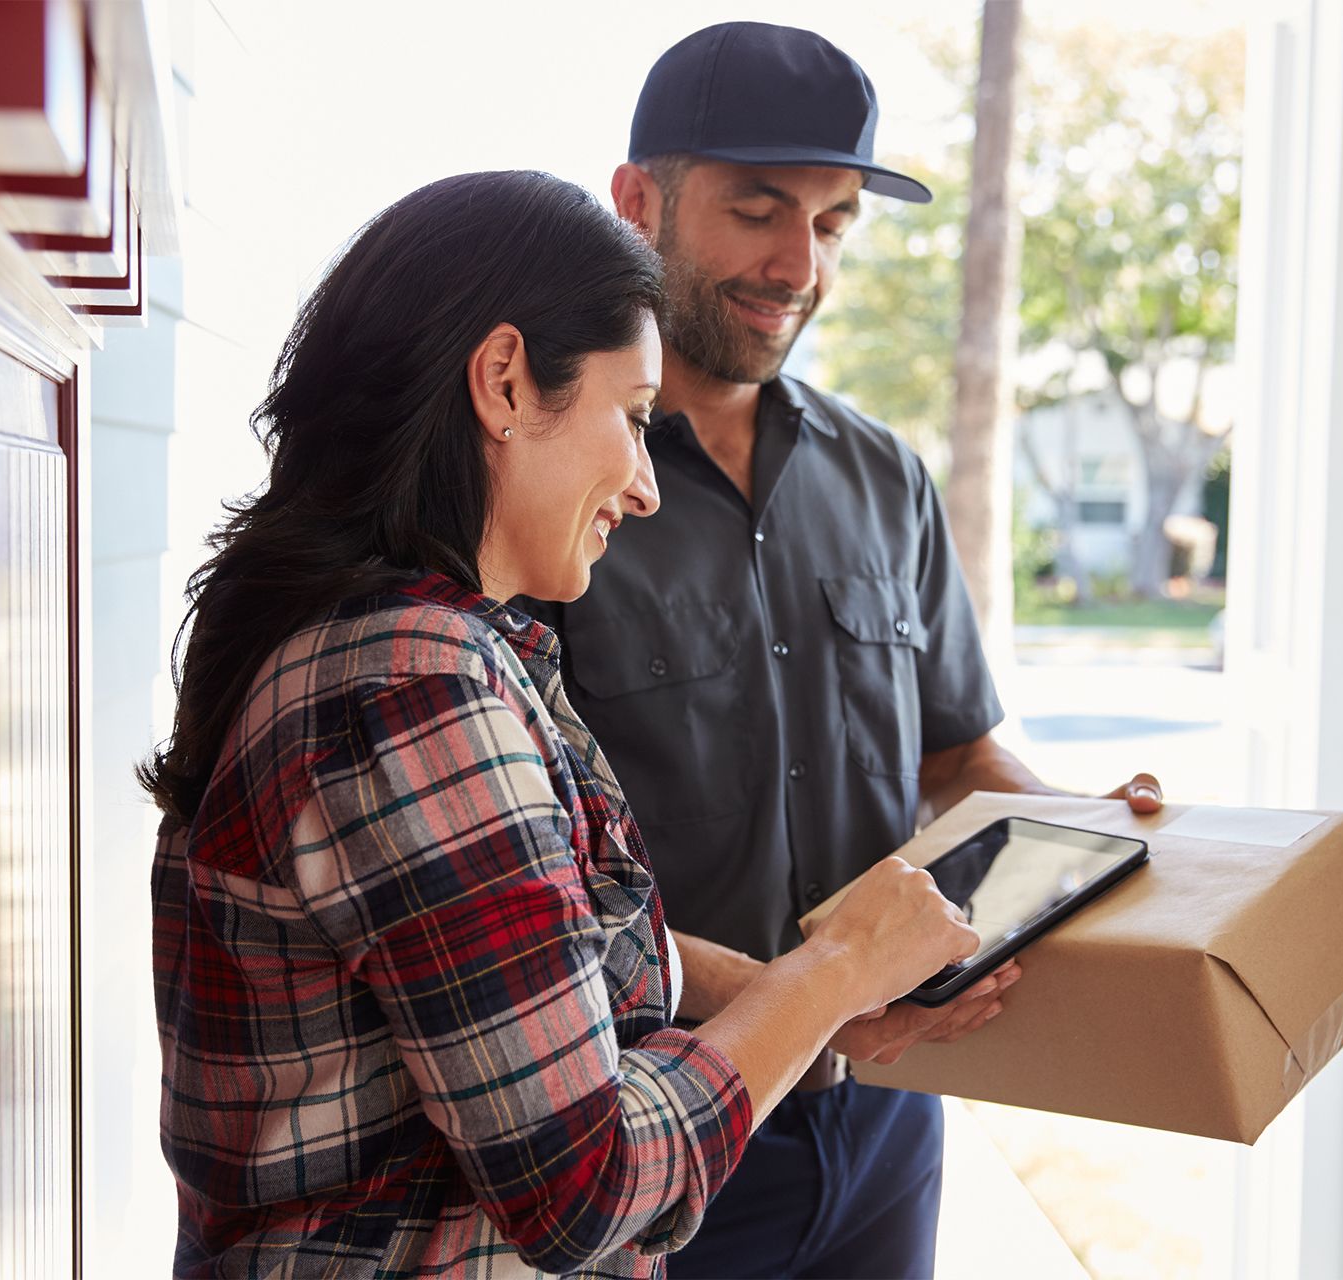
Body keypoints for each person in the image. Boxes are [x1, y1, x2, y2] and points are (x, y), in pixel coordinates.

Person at [143, 170, 985, 1278]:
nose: (643, 486)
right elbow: (584, 1188)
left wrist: (814, 1000)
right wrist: (829, 968)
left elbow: (519, 950)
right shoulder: (409, 686)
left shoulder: (429, 646)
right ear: (503, 382)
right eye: (632, 419)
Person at [522, 24, 1166, 1278]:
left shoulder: (887, 477)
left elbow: (959, 754)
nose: (795, 262)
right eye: (759, 210)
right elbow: (540, 874)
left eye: (831, 224)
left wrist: (1100, 838)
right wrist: (806, 998)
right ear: (638, 200)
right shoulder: (558, 489)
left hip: (886, 1118)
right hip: (670, 1122)